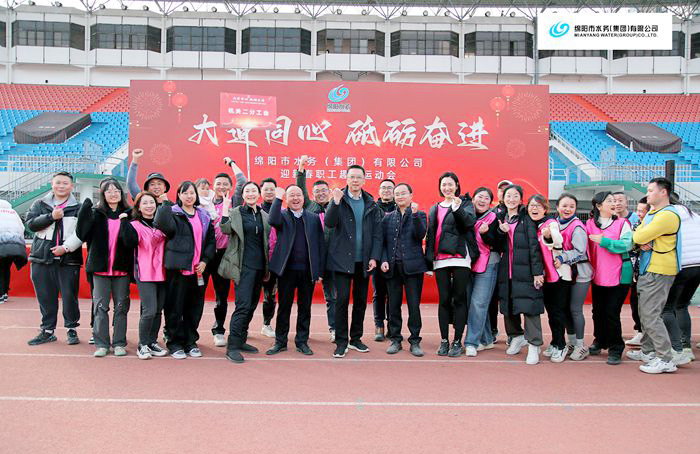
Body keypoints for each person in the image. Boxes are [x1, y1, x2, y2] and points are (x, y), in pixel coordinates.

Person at [324, 165, 383, 358]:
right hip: (342, 260)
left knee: (360, 301)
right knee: (341, 300)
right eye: (352, 177)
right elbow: (329, 223)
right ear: (347, 179)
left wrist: (374, 257)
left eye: (359, 177)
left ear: (364, 180)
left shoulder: (371, 203)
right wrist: (335, 202)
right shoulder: (339, 199)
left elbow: (377, 233)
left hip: (363, 261)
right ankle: (341, 342)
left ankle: (355, 338)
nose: (355, 180)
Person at [154, 181, 216, 359]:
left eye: (192, 193)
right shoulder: (173, 213)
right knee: (174, 308)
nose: (189, 196)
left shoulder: (203, 215)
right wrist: (164, 205)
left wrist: (205, 261)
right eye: (185, 193)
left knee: (194, 308)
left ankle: (190, 341)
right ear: (179, 195)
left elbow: (210, 241)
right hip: (178, 271)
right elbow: (162, 224)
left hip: (198, 271)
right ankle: (174, 342)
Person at [628, 178, 682, 374]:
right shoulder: (654, 213)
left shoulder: (667, 215)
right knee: (646, 313)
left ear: (663, 192)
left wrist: (641, 236)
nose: (647, 194)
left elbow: (638, 236)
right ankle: (649, 351)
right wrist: (641, 236)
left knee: (651, 314)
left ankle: (665, 358)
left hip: (659, 269)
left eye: (651, 190)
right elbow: (638, 233)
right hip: (649, 267)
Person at [76, 179, 133, 357]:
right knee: (100, 307)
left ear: (121, 193)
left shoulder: (129, 214)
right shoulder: (96, 213)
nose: (113, 194)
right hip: (100, 268)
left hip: (122, 268)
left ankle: (119, 343)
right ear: (103, 194)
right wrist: (84, 211)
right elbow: (82, 234)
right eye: (109, 191)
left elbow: (133, 240)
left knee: (121, 306)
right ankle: (101, 343)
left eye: (116, 190)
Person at [26, 172, 83, 346]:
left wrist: (65, 248)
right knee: (45, 295)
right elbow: (30, 225)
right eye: (58, 182)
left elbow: (82, 232)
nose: (61, 186)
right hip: (41, 257)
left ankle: (71, 329)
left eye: (65, 183)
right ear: (52, 184)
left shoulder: (79, 207)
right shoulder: (39, 204)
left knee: (69, 296)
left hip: (69, 259)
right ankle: (47, 330)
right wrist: (51, 217)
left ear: (72, 186)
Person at [266, 185, 325, 356]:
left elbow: (320, 245)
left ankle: (302, 341)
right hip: (286, 270)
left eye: (298, 195)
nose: (296, 198)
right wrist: (277, 198)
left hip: (307, 271)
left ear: (303, 198)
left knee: (305, 307)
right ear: (286, 198)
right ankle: (280, 342)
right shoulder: (282, 216)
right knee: (284, 307)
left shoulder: (313, 218)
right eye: (291, 195)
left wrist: (319, 271)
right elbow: (272, 220)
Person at [425, 172, 477, 357]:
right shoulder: (434, 208)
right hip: (440, 259)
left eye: (450, 184)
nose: (447, 188)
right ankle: (444, 340)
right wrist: (429, 262)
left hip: (460, 257)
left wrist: (457, 208)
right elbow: (431, 235)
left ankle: (457, 341)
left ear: (457, 185)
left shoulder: (465, 204)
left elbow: (468, 223)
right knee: (444, 300)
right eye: (444, 185)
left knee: (459, 299)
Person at [219, 181, 271, 364]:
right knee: (242, 306)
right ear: (242, 195)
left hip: (260, 267)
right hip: (243, 267)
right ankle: (232, 346)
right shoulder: (236, 212)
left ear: (259, 194)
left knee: (251, 305)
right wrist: (225, 209)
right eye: (247, 191)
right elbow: (225, 229)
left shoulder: (264, 215)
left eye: (253, 191)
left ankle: (241, 340)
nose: (250, 194)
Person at [496, 185, 544, 365]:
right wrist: (500, 232)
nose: (511, 199)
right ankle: (516, 336)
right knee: (508, 306)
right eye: (508, 195)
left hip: (526, 271)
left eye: (515, 196)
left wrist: (537, 272)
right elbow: (496, 245)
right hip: (506, 271)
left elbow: (534, 247)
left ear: (521, 199)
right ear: (503, 198)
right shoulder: (500, 217)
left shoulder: (526, 218)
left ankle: (534, 344)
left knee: (530, 306)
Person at [119, 191, 168, 359]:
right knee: (150, 310)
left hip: (163, 271)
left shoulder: (161, 223)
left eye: (152, 202)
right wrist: (123, 221)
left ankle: (152, 342)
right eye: (145, 203)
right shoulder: (134, 225)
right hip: (145, 272)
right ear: (138, 207)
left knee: (158, 310)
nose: (149, 206)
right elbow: (128, 242)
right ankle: (143, 344)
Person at [586, 191, 633, 365]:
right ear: (599, 206)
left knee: (612, 312)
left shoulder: (622, 223)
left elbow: (627, 244)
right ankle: (600, 340)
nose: (614, 204)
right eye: (609, 201)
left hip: (619, 276)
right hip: (598, 275)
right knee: (597, 311)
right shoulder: (590, 224)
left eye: (615, 201)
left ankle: (616, 347)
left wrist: (604, 241)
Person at [380, 183, 427, 357]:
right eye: (397, 194)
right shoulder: (387, 218)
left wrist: (414, 215)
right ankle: (395, 339)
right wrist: (384, 259)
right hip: (393, 268)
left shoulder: (419, 215)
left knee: (414, 306)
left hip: (413, 268)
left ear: (411, 195)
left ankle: (415, 341)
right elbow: (383, 243)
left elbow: (420, 235)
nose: (399, 196)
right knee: (393, 305)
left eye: (403, 193)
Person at [206, 157, 247, 347]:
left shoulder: (234, 202)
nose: (221, 186)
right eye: (218, 184)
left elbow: (242, 180)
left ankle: (219, 330)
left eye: (225, 184)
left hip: (225, 255)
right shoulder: (204, 202)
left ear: (230, 187)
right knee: (195, 295)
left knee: (221, 296)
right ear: (213, 186)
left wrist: (231, 163)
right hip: (205, 255)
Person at [296, 155, 335, 341]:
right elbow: (300, 187)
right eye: (317, 191)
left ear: (329, 192)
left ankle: (334, 328)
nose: (321, 193)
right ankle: (303, 333)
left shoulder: (336, 207)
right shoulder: (309, 206)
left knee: (332, 297)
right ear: (312, 194)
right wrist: (301, 167)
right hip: (311, 260)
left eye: (324, 190)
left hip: (332, 260)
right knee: (305, 298)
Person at [529, 195, 570, 363]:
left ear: (545, 209)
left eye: (538, 206)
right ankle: (555, 341)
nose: (535, 208)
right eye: (532, 205)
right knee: (551, 312)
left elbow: (558, 240)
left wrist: (548, 235)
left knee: (557, 312)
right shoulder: (531, 225)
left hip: (558, 275)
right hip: (544, 276)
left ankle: (561, 345)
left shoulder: (551, 223)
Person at [554, 193, 592, 361]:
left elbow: (580, 251)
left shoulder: (577, 227)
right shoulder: (555, 224)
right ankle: (571, 342)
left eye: (571, 206)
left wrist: (562, 257)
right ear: (557, 207)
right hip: (564, 273)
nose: (567, 209)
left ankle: (581, 345)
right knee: (565, 309)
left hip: (580, 272)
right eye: (564, 205)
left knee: (575, 309)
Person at [464, 187, 499, 356]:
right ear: (473, 199)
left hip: (489, 262)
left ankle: (471, 342)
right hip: (468, 262)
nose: (482, 200)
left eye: (486, 198)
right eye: (480, 196)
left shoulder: (494, 218)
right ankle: (486, 339)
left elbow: (498, 243)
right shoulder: (467, 216)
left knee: (479, 303)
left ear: (490, 202)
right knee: (474, 303)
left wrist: (485, 234)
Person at [669, 202, 700, 361]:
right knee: (682, 305)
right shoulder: (694, 215)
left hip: (683, 264)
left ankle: (682, 346)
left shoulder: (669, 214)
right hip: (698, 264)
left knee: (672, 306)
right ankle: (684, 345)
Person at [488, 179, 513, 340]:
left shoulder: (520, 213)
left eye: (508, 190)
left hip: (512, 261)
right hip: (495, 259)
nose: (504, 193)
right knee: (491, 298)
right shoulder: (492, 212)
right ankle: (492, 330)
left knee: (509, 297)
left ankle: (513, 333)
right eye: (501, 190)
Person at [373, 178, 396, 341]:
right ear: (379, 191)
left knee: (393, 294)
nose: (386, 190)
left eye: (389, 188)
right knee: (379, 293)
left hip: (395, 257)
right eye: (383, 188)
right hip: (377, 256)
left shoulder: (400, 207)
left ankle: (392, 327)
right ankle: (379, 325)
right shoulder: (373, 208)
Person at [626, 197, 651, 346]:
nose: (638, 214)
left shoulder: (655, 226)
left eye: (642, 211)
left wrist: (639, 242)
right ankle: (641, 333)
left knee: (650, 307)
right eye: (638, 210)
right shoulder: (636, 225)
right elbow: (631, 243)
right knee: (635, 302)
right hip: (636, 272)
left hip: (651, 272)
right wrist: (638, 243)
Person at [259, 177, 278, 338]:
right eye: (266, 189)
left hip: (274, 261)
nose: (269, 192)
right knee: (249, 297)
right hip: (257, 260)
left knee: (270, 295)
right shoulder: (255, 210)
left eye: (272, 189)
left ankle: (266, 324)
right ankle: (242, 327)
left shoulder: (282, 210)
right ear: (261, 191)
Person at [0, 199, 28, 303]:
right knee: (6, 268)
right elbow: (22, 228)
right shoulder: (13, 212)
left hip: (1, 243)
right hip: (15, 245)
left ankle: (0, 294)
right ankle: (5, 293)